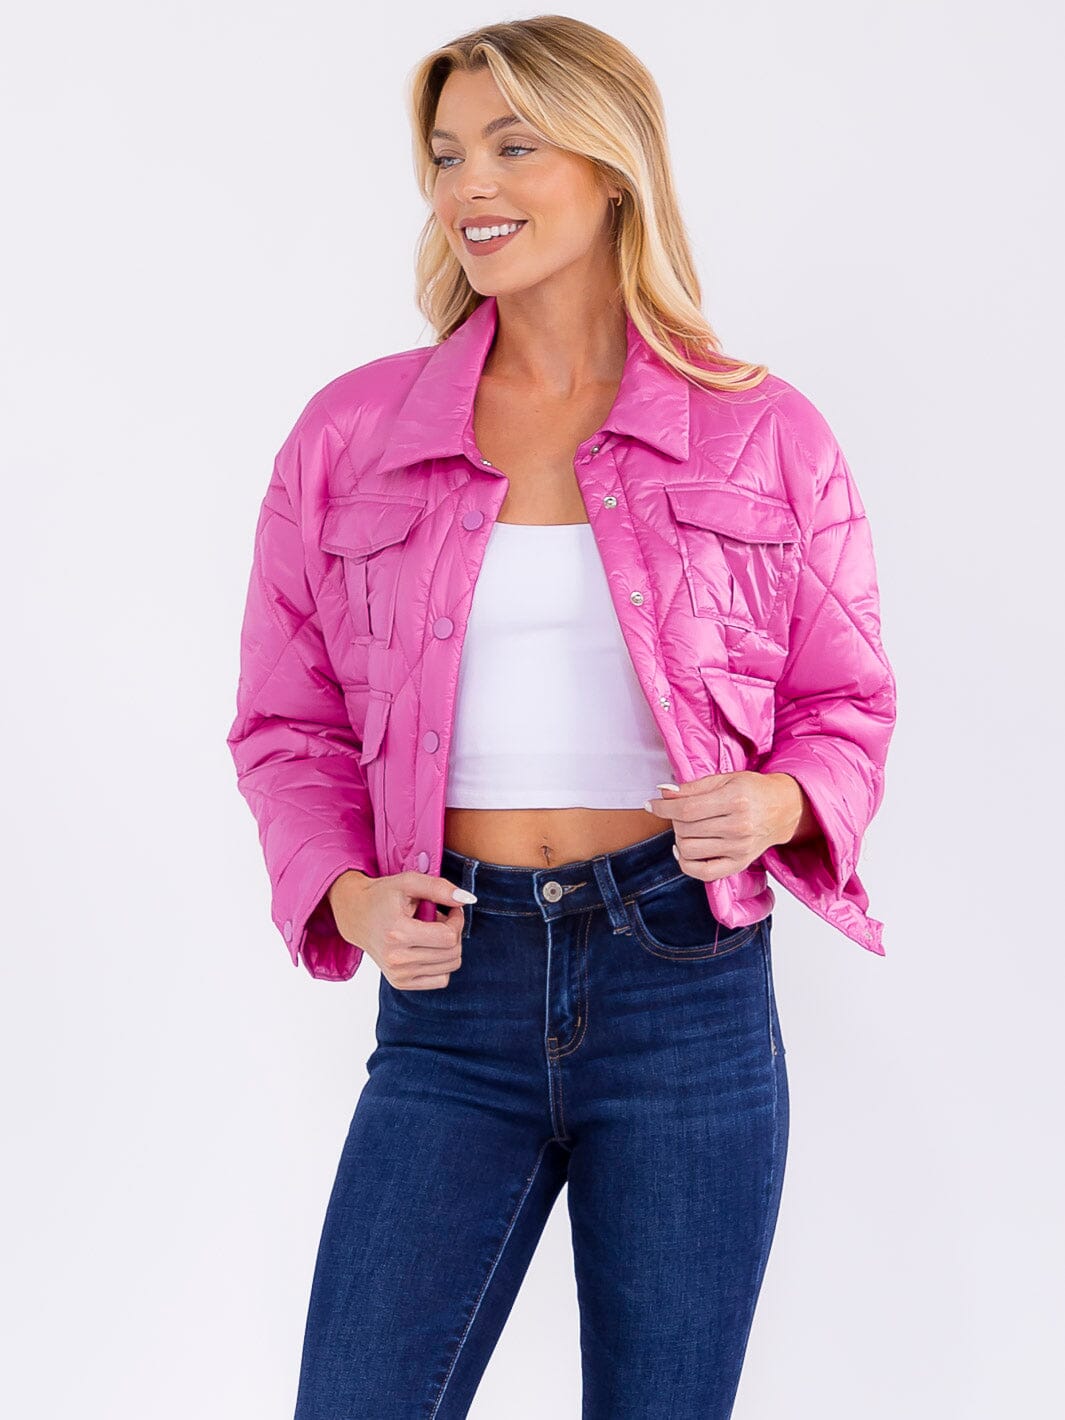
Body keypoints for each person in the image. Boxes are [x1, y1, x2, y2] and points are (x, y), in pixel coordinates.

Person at [226, 16, 896, 1419]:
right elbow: (287, 723)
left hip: (683, 988)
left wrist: (776, 801)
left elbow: (843, 701)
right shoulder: (351, 435)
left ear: (611, 167)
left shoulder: (761, 430)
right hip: (448, 992)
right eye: (446, 154)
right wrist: (346, 896)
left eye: (512, 145)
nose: (469, 184)